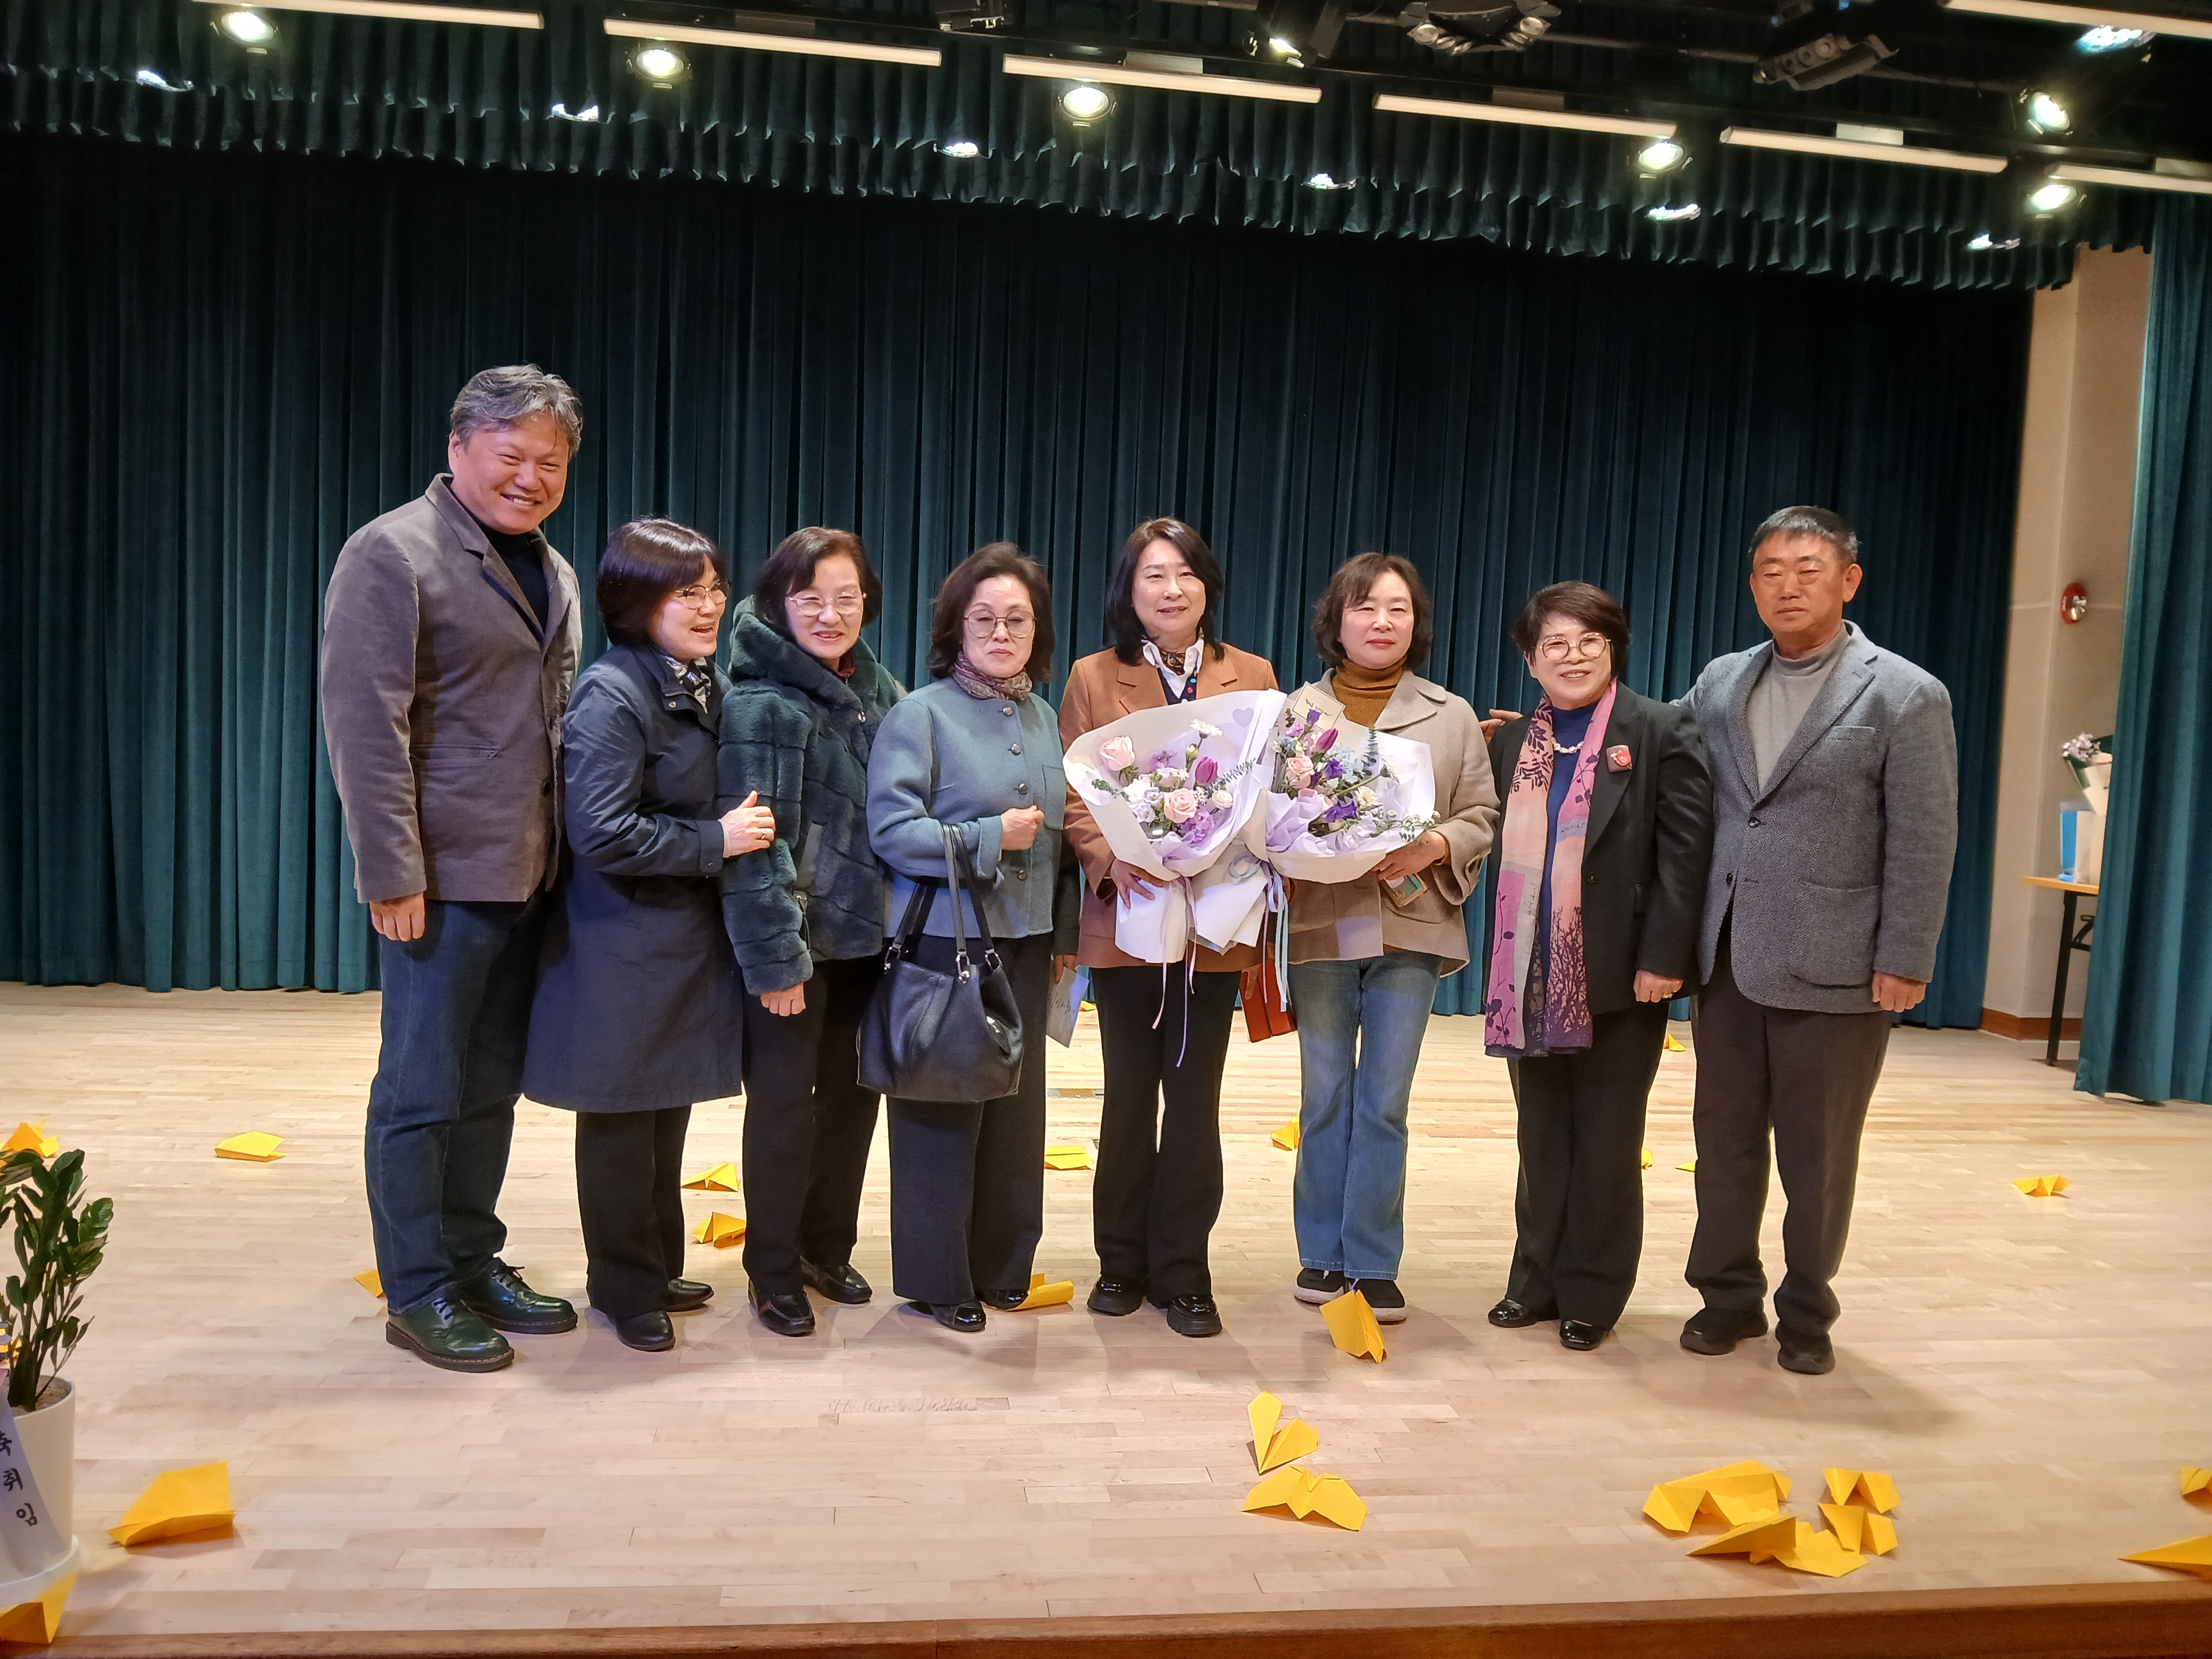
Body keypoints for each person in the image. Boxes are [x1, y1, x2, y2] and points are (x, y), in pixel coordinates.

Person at [321, 364, 587, 1374]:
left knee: (489, 1090)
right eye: (511, 455)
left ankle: (473, 1260)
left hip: (530, 874)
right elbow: (366, 725)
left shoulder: (556, 571)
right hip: (439, 880)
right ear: (459, 447)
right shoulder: (392, 553)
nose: (530, 477)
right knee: (421, 1090)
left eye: (550, 462)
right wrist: (392, 870)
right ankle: (417, 1289)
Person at [1679, 506, 1958, 1375]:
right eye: (1770, 571)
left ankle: (1807, 1310)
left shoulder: (1905, 693)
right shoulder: (1722, 680)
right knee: (1723, 1143)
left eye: (1808, 569)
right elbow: (1657, 750)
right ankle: (1726, 1297)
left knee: (1819, 1156)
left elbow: (1924, 836)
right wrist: (1549, 738)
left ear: (1849, 581)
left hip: (1838, 964)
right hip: (1728, 957)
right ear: (1752, 584)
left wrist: (1905, 956)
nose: (1788, 586)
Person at [522, 519, 770, 1353]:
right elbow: (601, 831)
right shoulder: (612, 692)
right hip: (620, 943)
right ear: (637, 602)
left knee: (665, 1113)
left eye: (714, 590)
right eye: (685, 593)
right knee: (623, 1122)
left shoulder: (706, 680)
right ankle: (624, 1289)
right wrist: (716, 841)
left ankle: (658, 1267)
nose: (708, 607)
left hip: (678, 940)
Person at [1058, 518, 1278, 1340]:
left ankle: (1185, 1272)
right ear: (1130, 589)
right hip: (1129, 919)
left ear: (1207, 586)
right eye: (1154, 574)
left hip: (1215, 925)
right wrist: (1114, 861)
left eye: (1186, 573)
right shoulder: (1093, 676)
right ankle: (1121, 1262)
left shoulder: (1252, 675)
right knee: (1126, 1098)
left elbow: (1268, 787)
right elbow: (1074, 792)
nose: (1172, 589)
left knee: (1193, 1102)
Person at [1481, 583, 1714, 1352]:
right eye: (1555, 643)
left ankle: (1593, 1292)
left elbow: (1686, 855)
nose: (1573, 656)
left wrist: (1664, 958)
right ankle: (1535, 1281)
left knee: (1609, 1141)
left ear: (1613, 648)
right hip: (1530, 976)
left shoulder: (1660, 729)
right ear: (1530, 659)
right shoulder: (1513, 743)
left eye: (1589, 641)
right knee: (1541, 1136)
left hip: (1622, 974)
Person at [1284, 553, 1500, 1325]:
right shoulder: (1296, 712)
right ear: (1336, 621)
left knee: (1384, 1100)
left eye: (1398, 609)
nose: (1382, 621)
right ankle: (1322, 1251)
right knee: (1324, 1096)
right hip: (1321, 924)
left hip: (1412, 924)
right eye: (1365, 607)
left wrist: (1435, 845)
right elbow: (1268, 814)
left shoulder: (1450, 713)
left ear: (1417, 623)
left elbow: (1482, 813)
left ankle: (1374, 1261)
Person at [866, 543, 1067, 1334]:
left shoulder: (1043, 717)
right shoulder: (919, 714)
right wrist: (988, 835)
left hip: (1028, 938)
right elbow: (891, 831)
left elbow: (1059, 836)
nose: (1001, 632)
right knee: (942, 1115)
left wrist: (1065, 930)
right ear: (956, 626)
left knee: (1017, 1114)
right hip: (945, 941)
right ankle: (938, 1280)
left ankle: (1002, 1267)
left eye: (1017, 619)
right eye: (984, 618)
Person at [718, 528, 903, 1339]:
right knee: (786, 1110)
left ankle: (826, 1249)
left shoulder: (876, 687)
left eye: (846, 598)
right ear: (778, 603)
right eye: (810, 599)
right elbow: (756, 848)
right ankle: (772, 1271)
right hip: (799, 946)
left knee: (853, 1103)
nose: (831, 615)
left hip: (867, 941)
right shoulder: (762, 702)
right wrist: (777, 959)